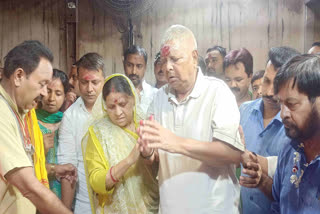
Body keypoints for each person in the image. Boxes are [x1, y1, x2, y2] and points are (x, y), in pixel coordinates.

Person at [138, 24, 244, 213]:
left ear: (194, 57)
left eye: (175, 59)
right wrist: (147, 153)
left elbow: (233, 154)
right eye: (164, 61)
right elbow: (153, 160)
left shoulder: (217, 92)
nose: (167, 67)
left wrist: (175, 143)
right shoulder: (159, 99)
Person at [0, 40, 72, 213]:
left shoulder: (19, 112)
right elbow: (29, 186)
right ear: (18, 76)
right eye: (42, 84)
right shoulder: (1, 112)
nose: (44, 93)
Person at [242, 54, 320, 213]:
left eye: (291, 104)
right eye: (281, 103)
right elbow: (279, 205)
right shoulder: (290, 150)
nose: (283, 113)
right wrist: (262, 181)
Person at [82, 74, 159, 214]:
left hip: (152, 205)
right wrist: (129, 160)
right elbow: (95, 181)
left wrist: (149, 154)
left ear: (133, 99)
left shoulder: (144, 124)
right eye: (111, 107)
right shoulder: (98, 133)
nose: (118, 112)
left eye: (122, 104)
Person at [239, 46, 300, 214]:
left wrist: (246, 156)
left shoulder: (297, 127)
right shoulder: (243, 111)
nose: (269, 91)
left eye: (278, 84)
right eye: (266, 80)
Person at [58, 52, 106, 213]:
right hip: (84, 205)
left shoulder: (115, 109)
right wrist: (65, 209)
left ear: (104, 80)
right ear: (77, 81)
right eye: (85, 83)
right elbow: (68, 167)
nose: (90, 89)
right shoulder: (70, 117)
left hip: (119, 203)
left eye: (95, 82)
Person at [36, 69, 70, 198]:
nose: (51, 98)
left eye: (58, 93)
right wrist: (42, 149)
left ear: (65, 96)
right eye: (48, 91)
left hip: (67, 192)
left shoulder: (68, 122)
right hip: (38, 191)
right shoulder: (31, 122)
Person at [123, 45, 158, 114]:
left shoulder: (155, 95)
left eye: (139, 66)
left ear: (145, 67)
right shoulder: (115, 93)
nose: (134, 71)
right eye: (129, 65)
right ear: (124, 65)